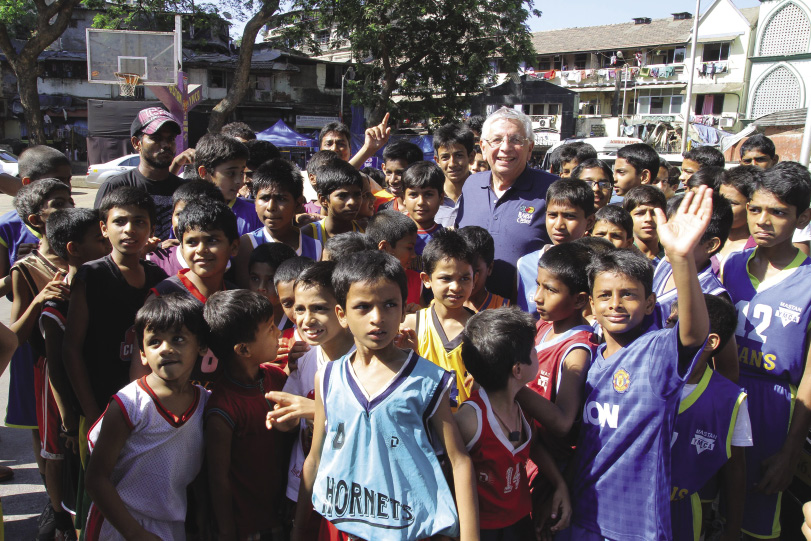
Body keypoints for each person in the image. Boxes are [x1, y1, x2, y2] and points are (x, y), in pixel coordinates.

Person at [293, 250, 479, 540]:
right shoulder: (328, 377)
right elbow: (315, 459)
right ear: (342, 314)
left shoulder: (428, 379)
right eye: (363, 307)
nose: (377, 318)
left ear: (404, 310)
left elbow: (459, 461)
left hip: (409, 531)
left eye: (390, 304)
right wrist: (298, 530)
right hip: (342, 527)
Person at [565, 187, 713, 540]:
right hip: (581, 512)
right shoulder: (586, 355)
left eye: (628, 294)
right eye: (605, 295)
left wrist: (680, 258)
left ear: (650, 304)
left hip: (634, 525)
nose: (615, 304)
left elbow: (693, 335)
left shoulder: (657, 352)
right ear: (591, 304)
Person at [722, 163, 811, 539]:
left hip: (777, 406)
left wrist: (792, 449)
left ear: (802, 217)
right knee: (719, 510)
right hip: (727, 396)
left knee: (758, 519)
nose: (763, 221)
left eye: (778, 212)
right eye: (756, 209)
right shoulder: (733, 266)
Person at [84, 294, 209, 540]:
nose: (166, 349)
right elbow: (96, 478)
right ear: (142, 353)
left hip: (172, 524)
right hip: (119, 524)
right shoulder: (129, 404)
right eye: (154, 342)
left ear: (202, 345)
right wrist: (135, 533)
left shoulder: (206, 402)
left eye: (178, 339)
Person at [456, 307, 572, 539]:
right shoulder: (470, 420)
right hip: (481, 529)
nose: (538, 353)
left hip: (519, 523)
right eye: (534, 350)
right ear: (518, 369)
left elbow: (534, 447)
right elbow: (449, 472)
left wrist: (560, 485)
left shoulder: (521, 407)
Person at [63, 187, 168, 430]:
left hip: (144, 404)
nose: (129, 229)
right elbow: (71, 349)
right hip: (100, 402)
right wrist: (91, 411)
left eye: (139, 222)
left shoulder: (157, 277)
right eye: (119, 221)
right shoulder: (91, 276)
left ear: (152, 229)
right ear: (104, 228)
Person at [264, 262, 356, 537]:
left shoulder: (365, 361)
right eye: (300, 309)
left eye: (319, 308)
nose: (306, 319)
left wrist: (314, 410)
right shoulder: (306, 358)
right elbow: (292, 420)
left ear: (342, 311)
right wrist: (284, 418)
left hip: (351, 491)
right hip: (306, 487)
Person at [9, 180, 74, 538]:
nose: (68, 205)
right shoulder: (27, 268)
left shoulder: (82, 255)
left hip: (84, 359)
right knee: (56, 445)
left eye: (69, 199)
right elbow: (15, 336)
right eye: (58, 203)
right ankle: (56, 512)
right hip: (49, 368)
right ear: (37, 218)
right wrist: (39, 300)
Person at [39, 208, 110, 531]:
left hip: (103, 406)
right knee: (88, 491)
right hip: (81, 417)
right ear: (73, 249)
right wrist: (69, 422)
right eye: (99, 238)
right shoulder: (58, 306)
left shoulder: (107, 285)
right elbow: (58, 369)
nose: (108, 241)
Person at [204, 290, 288, 539]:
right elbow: (218, 480)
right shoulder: (222, 409)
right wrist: (227, 530)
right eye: (271, 328)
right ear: (243, 349)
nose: (279, 333)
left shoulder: (276, 377)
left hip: (282, 512)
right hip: (248, 525)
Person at [667, 295, 751, 541]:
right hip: (626, 502)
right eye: (668, 322)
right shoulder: (639, 375)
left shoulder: (731, 400)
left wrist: (733, 531)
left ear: (711, 341)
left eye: (678, 324)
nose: (668, 330)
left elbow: (736, 469)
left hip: (681, 512)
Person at [456, 107, 557, 299]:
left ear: (530, 149)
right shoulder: (471, 185)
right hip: (468, 308)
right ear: (483, 148)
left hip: (526, 312)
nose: (505, 147)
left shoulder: (552, 189)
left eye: (516, 140)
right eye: (496, 140)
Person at [516, 244, 596, 468]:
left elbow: (562, 423)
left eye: (550, 290)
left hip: (552, 465)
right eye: (537, 285)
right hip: (530, 455)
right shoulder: (544, 325)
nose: (538, 297)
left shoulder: (577, 351)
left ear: (580, 300)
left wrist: (510, 384)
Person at [401, 229, 476, 406]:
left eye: (464, 278)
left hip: (468, 427)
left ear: (475, 278)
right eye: (446, 278)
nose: (456, 287)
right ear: (426, 279)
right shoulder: (410, 326)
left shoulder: (482, 329)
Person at [94, 107, 187, 240]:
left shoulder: (184, 188)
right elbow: (99, 238)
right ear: (137, 143)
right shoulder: (115, 186)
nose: (166, 145)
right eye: (156, 138)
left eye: (170, 139)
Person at [235, 158, 321, 287]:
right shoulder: (248, 245)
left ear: (298, 204)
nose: (271, 207)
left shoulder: (316, 247)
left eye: (281, 199)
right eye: (264, 198)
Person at [516, 179, 595, 317]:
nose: (558, 225)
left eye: (569, 216)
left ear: (589, 222)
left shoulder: (598, 267)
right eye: (552, 215)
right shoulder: (526, 264)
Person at [653, 193, 732, 326]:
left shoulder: (713, 295)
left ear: (710, 245)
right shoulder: (665, 263)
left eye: (681, 233)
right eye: (670, 229)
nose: (669, 239)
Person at [146, 179, 225, 277]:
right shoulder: (153, 262)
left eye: (194, 215)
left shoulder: (227, 264)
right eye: (180, 214)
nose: (185, 221)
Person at [194, 133, 261, 236]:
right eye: (231, 173)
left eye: (242, 172)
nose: (240, 181)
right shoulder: (185, 211)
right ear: (204, 172)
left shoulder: (254, 214)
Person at [365, 209, 422, 307]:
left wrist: (417, 313)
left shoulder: (415, 281)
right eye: (409, 248)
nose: (414, 255)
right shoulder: (359, 283)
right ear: (384, 248)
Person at [302, 159, 364, 242]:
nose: (352, 202)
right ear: (323, 199)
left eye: (357, 194)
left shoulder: (365, 231)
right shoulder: (309, 234)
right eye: (342, 195)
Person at [403, 161, 445, 270]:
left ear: (441, 198)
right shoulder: (394, 235)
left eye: (428, 194)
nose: (421, 202)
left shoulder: (445, 239)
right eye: (413, 194)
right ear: (403, 198)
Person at [457, 226, 510, 312]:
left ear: (489, 268)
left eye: (475, 271)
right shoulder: (441, 306)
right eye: (460, 270)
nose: (468, 278)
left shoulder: (504, 310)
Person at [433, 123, 476, 227]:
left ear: (471, 157)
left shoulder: (482, 195)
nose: (452, 164)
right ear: (437, 161)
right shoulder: (431, 197)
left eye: (459, 155)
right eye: (445, 157)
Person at [247, 242, 297, 326]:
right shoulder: (242, 321)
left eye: (271, 280)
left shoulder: (300, 324)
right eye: (255, 278)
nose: (261, 287)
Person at [717, 166, 758, 267]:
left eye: (732, 203)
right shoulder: (705, 237)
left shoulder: (757, 251)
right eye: (720, 199)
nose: (722, 207)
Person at [623, 185, 667, 264]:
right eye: (640, 213)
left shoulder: (671, 257)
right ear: (628, 217)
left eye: (654, 213)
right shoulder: (621, 258)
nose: (648, 219)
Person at [378, 140, 424, 214]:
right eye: (389, 172)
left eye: (400, 173)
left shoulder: (427, 211)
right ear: (383, 168)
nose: (392, 180)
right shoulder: (383, 210)